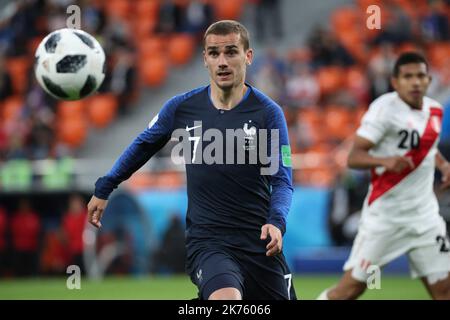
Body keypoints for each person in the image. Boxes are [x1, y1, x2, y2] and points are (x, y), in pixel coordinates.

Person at [87, 20, 296, 300]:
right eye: (214, 53)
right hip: (209, 243)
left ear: (248, 56)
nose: (222, 61)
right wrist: (106, 185)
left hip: (260, 242)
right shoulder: (181, 108)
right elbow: (143, 145)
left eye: (231, 52)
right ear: (204, 60)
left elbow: (281, 179)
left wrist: (277, 221)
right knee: (227, 300)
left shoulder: (268, 114)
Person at [318, 52, 450, 300]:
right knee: (350, 290)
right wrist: (384, 160)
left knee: (444, 290)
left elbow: (427, 149)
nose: (415, 82)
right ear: (395, 81)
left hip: (425, 218)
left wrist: (443, 165)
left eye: (420, 76)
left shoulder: (434, 110)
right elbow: (353, 157)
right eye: (408, 76)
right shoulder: (383, 110)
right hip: (385, 219)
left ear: (429, 79)